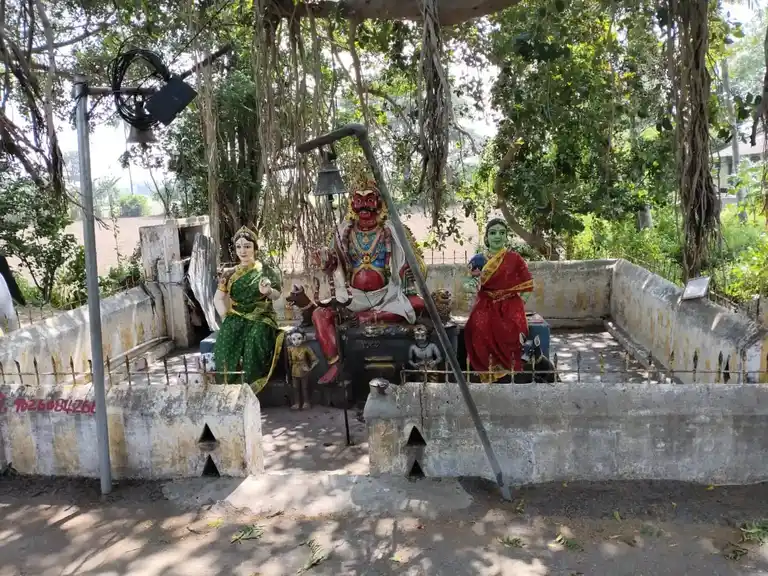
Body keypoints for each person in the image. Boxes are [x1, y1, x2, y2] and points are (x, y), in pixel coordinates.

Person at [311, 179, 427, 384]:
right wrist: (326, 261)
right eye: (359, 200)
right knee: (320, 314)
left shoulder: (391, 231)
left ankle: (368, 317)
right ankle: (334, 364)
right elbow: (334, 264)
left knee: (419, 303)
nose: (364, 205)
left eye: (370, 199)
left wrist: (408, 268)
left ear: (379, 203)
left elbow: (413, 265)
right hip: (352, 297)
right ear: (352, 204)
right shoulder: (342, 232)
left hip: (386, 295)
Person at [213, 226, 284, 392]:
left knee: (255, 338)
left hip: (262, 316)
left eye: (247, 246)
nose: (242, 251)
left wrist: (268, 291)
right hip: (237, 315)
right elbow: (218, 298)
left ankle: (250, 387)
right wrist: (225, 317)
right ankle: (227, 387)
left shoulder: (266, 270)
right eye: (238, 246)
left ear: (255, 248)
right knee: (226, 340)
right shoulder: (229, 274)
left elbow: (277, 294)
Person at [464, 218, 533, 382]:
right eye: (493, 233)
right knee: (476, 327)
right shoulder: (478, 260)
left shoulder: (515, 259)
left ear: (506, 237)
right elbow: (466, 283)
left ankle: (509, 371)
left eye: (502, 233)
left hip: (510, 304)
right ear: (486, 237)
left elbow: (528, 285)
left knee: (513, 327)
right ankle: (486, 370)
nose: (497, 236)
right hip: (485, 303)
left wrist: (517, 306)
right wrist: (472, 285)